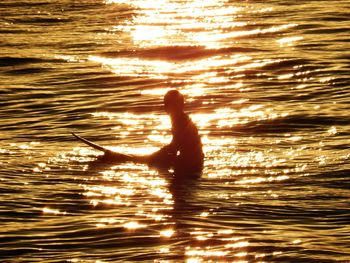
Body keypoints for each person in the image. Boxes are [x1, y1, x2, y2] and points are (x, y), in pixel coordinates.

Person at [148, 90, 204, 175]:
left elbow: (175, 146)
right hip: (196, 159)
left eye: (173, 105)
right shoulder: (181, 119)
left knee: (154, 164)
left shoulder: (181, 122)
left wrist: (156, 155)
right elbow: (175, 146)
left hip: (190, 162)